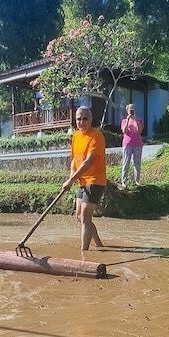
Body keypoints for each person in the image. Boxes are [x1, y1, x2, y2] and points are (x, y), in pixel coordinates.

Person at [62, 107, 106, 252]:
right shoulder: (76, 136)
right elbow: (74, 160)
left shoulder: (96, 136)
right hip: (82, 181)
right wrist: (71, 178)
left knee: (85, 216)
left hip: (95, 180)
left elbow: (89, 161)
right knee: (79, 217)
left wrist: (71, 180)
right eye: (79, 119)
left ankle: (84, 253)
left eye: (85, 118)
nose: (82, 122)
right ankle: (100, 245)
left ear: (91, 120)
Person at [120, 103, 144, 188]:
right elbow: (124, 131)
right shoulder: (124, 121)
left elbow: (139, 131)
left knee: (137, 163)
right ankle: (124, 181)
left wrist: (135, 120)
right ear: (127, 111)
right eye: (130, 109)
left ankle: (137, 180)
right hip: (127, 144)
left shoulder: (139, 120)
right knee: (126, 162)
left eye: (133, 109)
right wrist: (127, 120)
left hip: (138, 144)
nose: (131, 111)